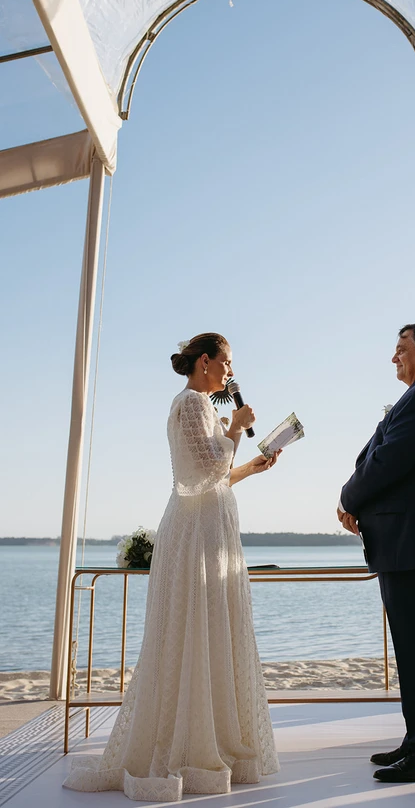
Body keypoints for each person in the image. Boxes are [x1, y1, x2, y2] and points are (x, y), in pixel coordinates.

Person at [64, 333, 281, 801]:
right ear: (205, 362)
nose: (229, 372)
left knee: (210, 626)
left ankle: (213, 729)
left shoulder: (200, 405)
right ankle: (187, 741)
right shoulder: (191, 403)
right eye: (226, 363)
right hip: (196, 533)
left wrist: (252, 466)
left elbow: (216, 477)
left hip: (208, 524)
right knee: (192, 626)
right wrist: (236, 427)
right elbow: (197, 476)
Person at [337, 324, 415, 784]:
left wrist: (349, 500)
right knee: (411, 647)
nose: (394, 357)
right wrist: (360, 507)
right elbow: (378, 456)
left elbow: (389, 461)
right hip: (402, 540)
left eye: (401, 349)